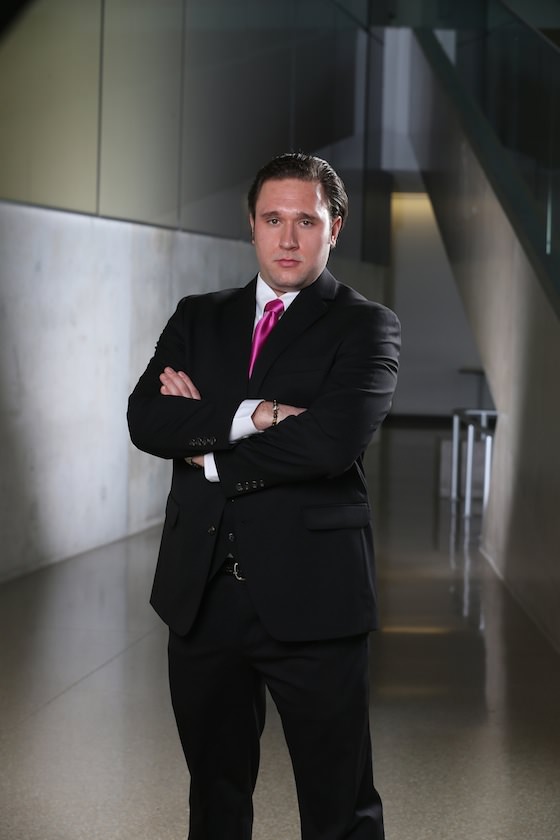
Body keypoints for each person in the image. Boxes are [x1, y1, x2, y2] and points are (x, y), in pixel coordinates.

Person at [127, 152, 400, 840]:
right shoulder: (199, 317)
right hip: (202, 596)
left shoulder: (366, 326)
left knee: (339, 805)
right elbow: (147, 420)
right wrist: (260, 414)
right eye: (272, 219)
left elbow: (329, 444)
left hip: (315, 597)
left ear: (334, 228)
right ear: (250, 225)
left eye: (306, 221)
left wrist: (208, 445)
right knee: (215, 798)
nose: (287, 238)